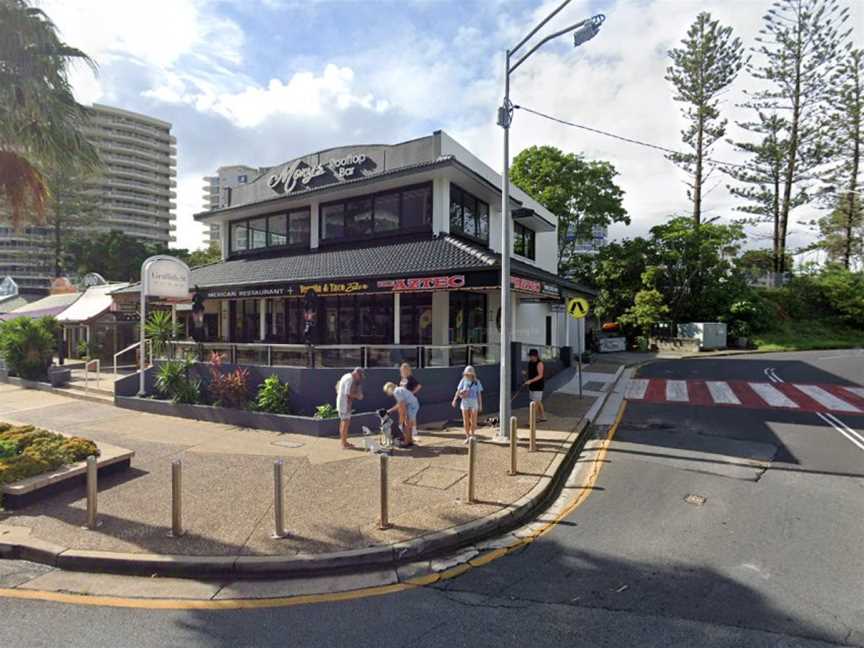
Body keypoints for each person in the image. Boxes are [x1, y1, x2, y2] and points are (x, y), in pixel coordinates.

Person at [451, 365, 483, 444]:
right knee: (465, 420)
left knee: (473, 420)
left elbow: (479, 394)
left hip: (474, 401)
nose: (468, 375)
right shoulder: (463, 381)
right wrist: (454, 400)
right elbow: (458, 391)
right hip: (465, 401)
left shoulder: (477, 382)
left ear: (473, 374)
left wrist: (480, 404)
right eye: (467, 373)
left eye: (470, 373)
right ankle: (467, 436)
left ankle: (473, 436)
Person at [336, 367, 365, 449]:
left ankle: (344, 442)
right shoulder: (350, 379)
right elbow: (348, 393)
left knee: (344, 422)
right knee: (345, 423)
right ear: (356, 373)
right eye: (360, 376)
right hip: (344, 404)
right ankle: (344, 444)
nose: (360, 378)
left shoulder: (347, 376)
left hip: (343, 403)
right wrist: (358, 396)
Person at [383, 381, 419, 447]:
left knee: (406, 424)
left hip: (411, 406)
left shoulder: (396, 392)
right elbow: (399, 404)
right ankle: (410, 441)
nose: (387, 393)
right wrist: (390, 410)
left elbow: (402, 406)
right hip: (414, 404)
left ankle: (406, 442)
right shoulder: (399, 389)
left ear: (389, 389)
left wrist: (401, 419)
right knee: (409, 424)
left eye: (387, 391)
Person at [399, 362, 422, 438]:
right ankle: (407, 430)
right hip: (403, 400)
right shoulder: (402, 379)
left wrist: (411, 393)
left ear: (407, 370)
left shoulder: (410, 378)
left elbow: (419, 386)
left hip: (411, 401)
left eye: (404, 370)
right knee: (405, 415)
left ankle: (414, 431)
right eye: (402, 370)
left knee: (411, 416)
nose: (403, 371)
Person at [524, 349, 547, 422]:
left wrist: (530, 381)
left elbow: (540, 375)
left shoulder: (539, 363)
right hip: (532, 385)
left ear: (536, 356)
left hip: (538, 386)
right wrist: (525, 373)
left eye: (532, 356)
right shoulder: (530, 362)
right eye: (530, 356)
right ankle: (543, 417)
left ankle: (532, 420)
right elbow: (531, 372)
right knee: (538, 401)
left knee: (535, 403)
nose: (530, 357)